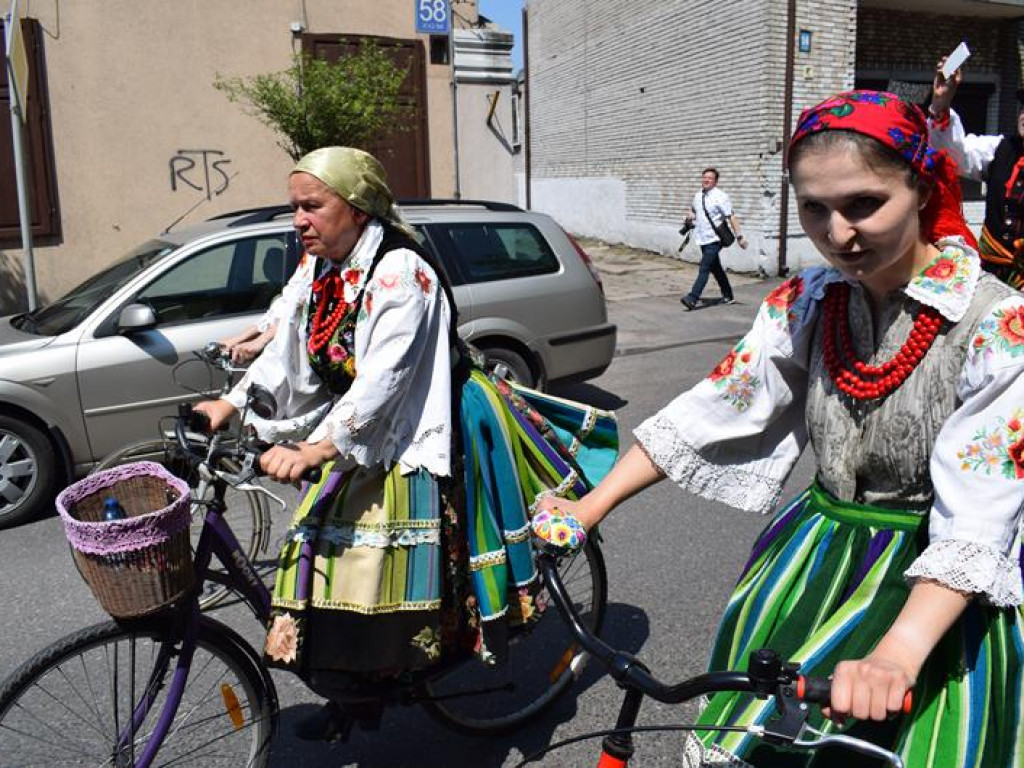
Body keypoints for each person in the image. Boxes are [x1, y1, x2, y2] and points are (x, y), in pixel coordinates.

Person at [534, 90, 1024, 766]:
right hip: (812, 563)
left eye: (863, 204)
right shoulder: (808, 300)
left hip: (935, 590)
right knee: (753, 742)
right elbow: (713, 410)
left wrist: (897, 654)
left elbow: (979, 513)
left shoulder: (998, 325)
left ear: (921, 186)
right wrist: (588, 509)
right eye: (814, 208)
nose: (837, 233)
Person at [194, 146, 616, 735]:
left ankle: (422, 665)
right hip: (362, 427)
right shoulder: (320, 266)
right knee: (323, 558)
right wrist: (231, 402)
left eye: (311, 205)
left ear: (358, 207)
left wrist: (318, 448)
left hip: (423, 419)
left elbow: (386, 378)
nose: (298, 220)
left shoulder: (399, 270)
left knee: (406, 562)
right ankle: (352, 697)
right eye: (295, 206)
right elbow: (287, 338)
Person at [928, 56, 1024, 288]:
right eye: (1023, 108)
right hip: (991, 274)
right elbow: (954, 153)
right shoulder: (1000, 148)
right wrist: (941, 103)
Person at [218, 252, 316, 364]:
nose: (303, 234)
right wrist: (237, 339)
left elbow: (297, 306)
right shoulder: (311, 259)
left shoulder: (328, 267)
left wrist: (260, 341)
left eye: (272, 263)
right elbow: (286, 304)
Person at [679, 168, 749, 311]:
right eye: (704, 177)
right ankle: (728, 295)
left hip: (715, 239)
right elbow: (693, 210)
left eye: (710, 178)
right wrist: (689, 217)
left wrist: (740, 237)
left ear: (715, 181)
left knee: (704, 268)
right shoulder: (698, 196)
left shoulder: (721, 197)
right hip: (702, 238)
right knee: (715, 268)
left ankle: (692, 298)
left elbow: (731, 217)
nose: (706, 180)